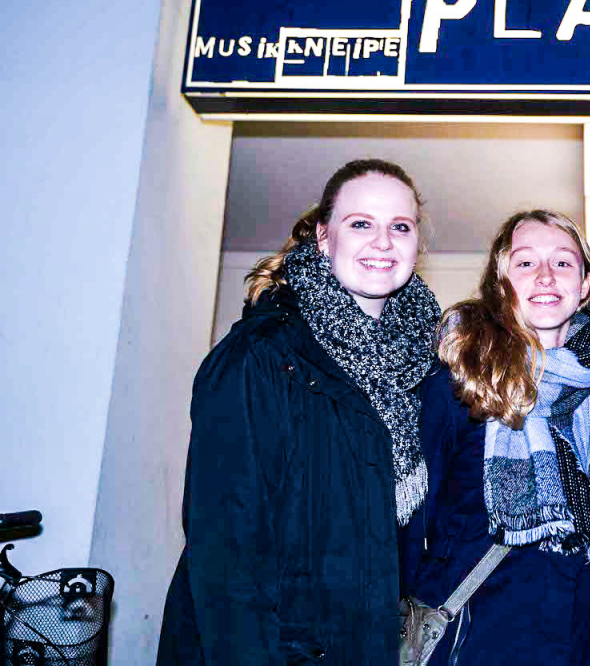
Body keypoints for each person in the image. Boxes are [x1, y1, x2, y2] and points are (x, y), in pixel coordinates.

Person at [158, 159, 442, 665]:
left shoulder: (423, 369)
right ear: (324, 237)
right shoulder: (261, 356)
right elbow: (226, 557)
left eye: (401, 227)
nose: (383, 242)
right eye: (361, 224)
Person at [406, 210, 590, 665]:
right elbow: (414, 524)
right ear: (502, 283)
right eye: (526, 262)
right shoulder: (459, 381)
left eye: (563, 262)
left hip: (581, 639)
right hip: (476, 639)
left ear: (586, 283)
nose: (546, 276)